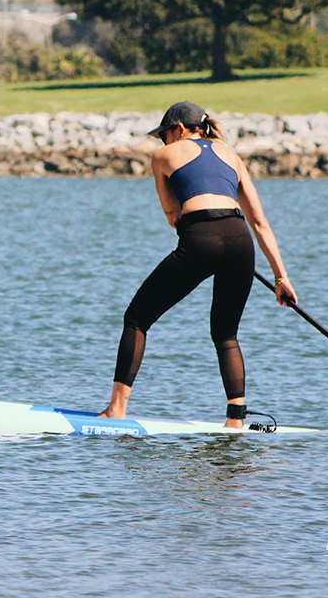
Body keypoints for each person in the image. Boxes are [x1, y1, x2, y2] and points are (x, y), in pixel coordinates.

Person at [97, 101, 299, 428]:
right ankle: (236, 421)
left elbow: (173, 216)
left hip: (201, 236)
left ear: (178, 129)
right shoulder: (231, 155)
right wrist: (281, 277)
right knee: (226, 333)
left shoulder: (163, 157)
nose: (162, 142)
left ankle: (116, 410)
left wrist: (201, 232)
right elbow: (259, 222)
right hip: (240, 238)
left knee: (137, 317)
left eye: (164, 135)